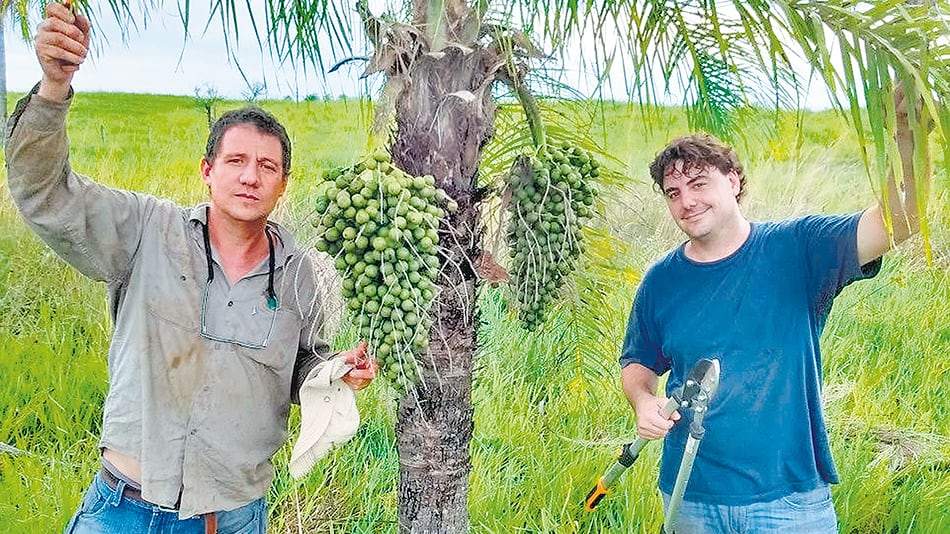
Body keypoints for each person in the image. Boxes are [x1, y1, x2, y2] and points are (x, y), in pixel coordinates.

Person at [5, 4, 378, 533]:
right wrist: (53, 86)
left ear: (283, 184)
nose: (250, 177)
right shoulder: (146, 230)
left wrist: (333, 371)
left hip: (230, 519)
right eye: (235, 161)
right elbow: (45, 192)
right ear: (208, 170)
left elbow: (300, 365)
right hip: (123, 511)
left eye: (267, 166)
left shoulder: (299, 274)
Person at [619, 93, 930, 531]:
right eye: (674, 193)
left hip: (788, 501)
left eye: (699, 183)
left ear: (733, 181)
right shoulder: (661, 281)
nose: (686, 201)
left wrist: (906, 137)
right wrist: (644, 401)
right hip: (689, 495)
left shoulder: (799, 248)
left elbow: (901, 220)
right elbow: (638, 361)